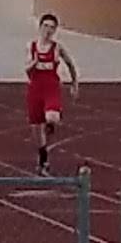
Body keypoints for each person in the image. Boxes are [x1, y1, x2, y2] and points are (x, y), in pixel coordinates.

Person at [26, 13, 79, 176]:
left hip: (51, 87)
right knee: (36, 130)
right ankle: (43, 160)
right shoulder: (32, 46)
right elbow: (27, 70)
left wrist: (74, 84)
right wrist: (33, 64)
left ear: (55, 30)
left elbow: (70, 64)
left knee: (51, 118)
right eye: (45, 26)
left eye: (52, 27)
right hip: (35, 88)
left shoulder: (57, 48)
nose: (48, 30)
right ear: (40, 27)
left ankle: (52, 120)